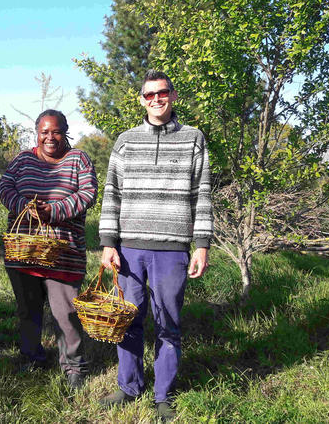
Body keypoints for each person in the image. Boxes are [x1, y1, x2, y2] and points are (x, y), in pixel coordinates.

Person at [98, 69, 212, 421]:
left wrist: (202, 244)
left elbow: (202, 194)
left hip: (173, 248)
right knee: (128, 319)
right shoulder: (126, 140)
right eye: (149, 95)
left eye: (162, 93)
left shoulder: (194, 139)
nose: (156, 99)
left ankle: (164, 393)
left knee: (169, 322)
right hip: (130, 247)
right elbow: (111, 194)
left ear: (173, 96)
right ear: (141, 99)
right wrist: (107, 242)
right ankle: (130, 386)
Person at [0, 109, 97, 391]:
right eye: (44, 131)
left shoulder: (78, 159)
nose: (49, 137)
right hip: (24, 250)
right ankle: (32, 356)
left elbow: (88, 193)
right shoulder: (23, 159)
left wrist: (52, 211)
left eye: (55, 131)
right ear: (37, 133)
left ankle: (74, 366)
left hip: (64, 251)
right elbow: (5, 186)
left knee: (65, 313)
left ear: (65, 132)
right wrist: (26, 208)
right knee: (28, 309)